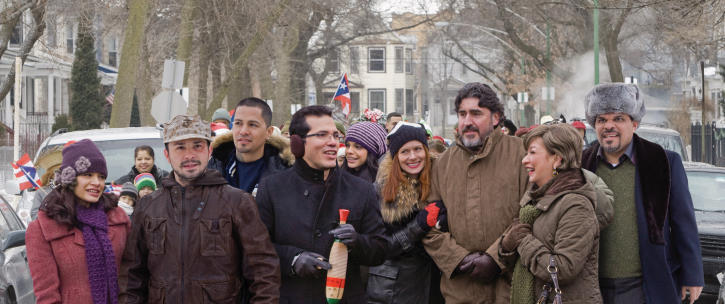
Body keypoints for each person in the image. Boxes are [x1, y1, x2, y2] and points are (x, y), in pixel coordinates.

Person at [119, 114, 281, 303]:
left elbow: (264, 273)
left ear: (209, 150)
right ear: (166, 154)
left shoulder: (237, 202)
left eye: (197, 146)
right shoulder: (148, 206)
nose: (189, 155)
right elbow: (131, 277)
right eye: (180, 147)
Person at [581, 83, 703, 304]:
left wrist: (692, 274)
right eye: (601, 120)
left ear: (634, 123)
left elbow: (684, 221)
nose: (609, 125)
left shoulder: (664, 162)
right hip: (591, 286)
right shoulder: (581, 165)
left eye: (618, 118)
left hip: (646, 285)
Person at [255, 105, 387, 303]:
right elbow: (258, 250)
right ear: (298, 143)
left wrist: (357, 242)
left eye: (335, 136)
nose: (333, 142)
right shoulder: (272, 188)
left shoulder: (362, 190)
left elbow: (381, 249)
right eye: (322, 135)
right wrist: (293, 259)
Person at [422, 82, 529, 304]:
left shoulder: (522, 154)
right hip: (460, 292)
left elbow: (531, 216)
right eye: (462, 114)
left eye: (476, 113)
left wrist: (495, 259)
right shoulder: (442, 164)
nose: (467, 121)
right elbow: (427, 226)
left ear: (496, 117)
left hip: (511, 291)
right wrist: (459, 259)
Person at [504, 123, 602, 303]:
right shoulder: (533, 198)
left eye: (532, 153)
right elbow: (517, 259)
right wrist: (506, 246)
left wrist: (523, 241)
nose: (525, 160)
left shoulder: (576, 206)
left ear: (557, 159)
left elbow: (562, 270)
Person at [26, 139, 131, 304]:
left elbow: (133, 277)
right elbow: (47, 296)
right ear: (70, 178)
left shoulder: (118, 218)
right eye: (88, 175)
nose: (97, 183)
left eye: (101, 176)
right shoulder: (42, 228)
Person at [367, 122, 445, 304]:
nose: (413, 157)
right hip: (393, 290)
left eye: (418, 149)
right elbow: (379, 248)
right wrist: (418, 226)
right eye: (404, 151)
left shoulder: (439, 183)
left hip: (432, 284)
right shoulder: (379, 191)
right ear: (395, 157)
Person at [208, 97, 294, 195]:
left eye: (252, 125)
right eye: (238, 123)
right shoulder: (213, 168)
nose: (243, 131)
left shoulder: (286, 174)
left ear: (268, 132)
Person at [30, 145, 63, 220]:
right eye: (58, 172)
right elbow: (34, 215)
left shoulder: (73, 190)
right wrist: (49, 215)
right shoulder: (41, 192)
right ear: (51, 174)